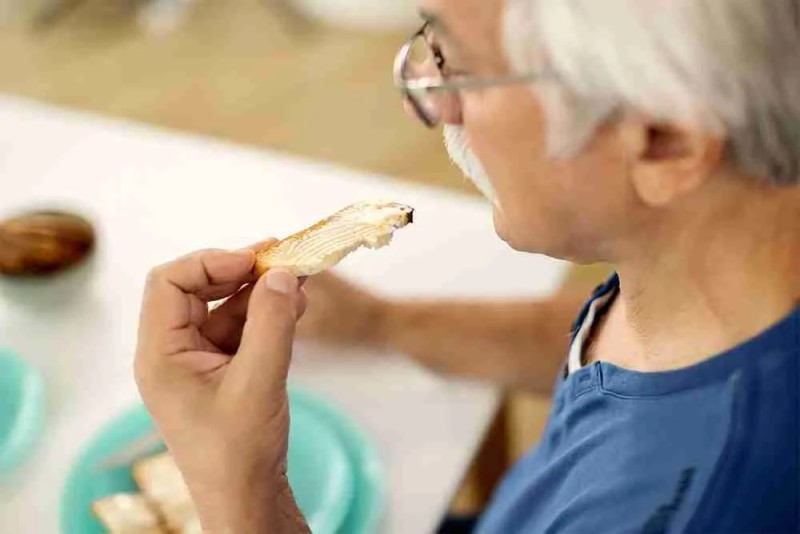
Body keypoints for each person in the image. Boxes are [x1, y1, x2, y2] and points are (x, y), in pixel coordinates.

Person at [134, 0, 800, 532]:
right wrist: (381, 322)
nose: (423, 103)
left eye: (459, 65)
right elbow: (618, 349)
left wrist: (238, 488)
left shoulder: (664, 510)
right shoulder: (711, 272)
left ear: (665, 141)